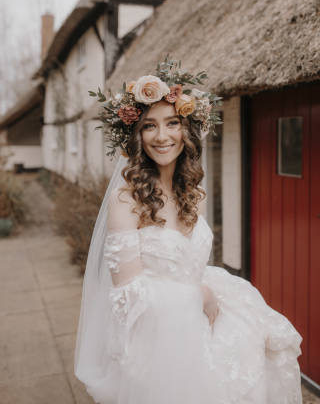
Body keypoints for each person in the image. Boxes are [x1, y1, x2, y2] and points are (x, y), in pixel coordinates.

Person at [74, 58, 302, 404]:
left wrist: (209, 295)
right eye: (149, 126)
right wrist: (200, 296)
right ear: (136, 135)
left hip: (205, 320)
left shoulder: (188, 189)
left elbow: (186, 262)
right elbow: (127, 296)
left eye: (172, 123)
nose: (162, 136)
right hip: (161, 345)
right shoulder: (127, 198)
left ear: (188, 130)